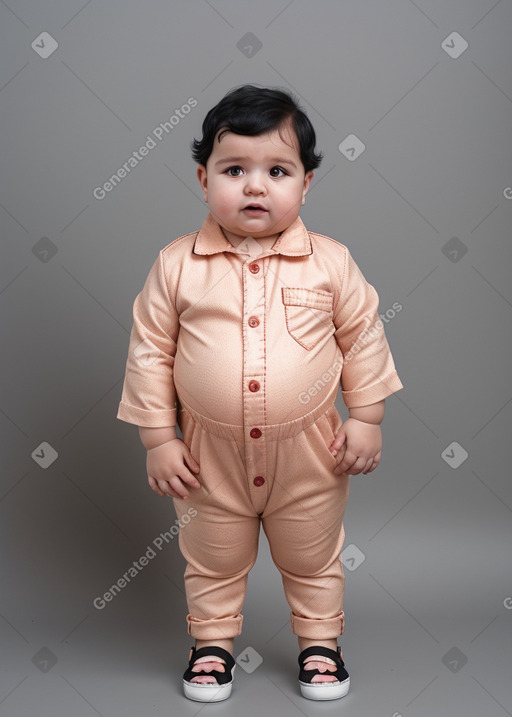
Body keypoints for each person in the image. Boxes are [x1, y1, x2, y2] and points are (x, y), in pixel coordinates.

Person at [117, 84, 403, 702]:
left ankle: (320, 644)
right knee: (212, 556)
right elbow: (150, 351)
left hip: (312, 452)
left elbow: (363, 338)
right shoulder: (177, 265)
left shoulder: (331, 263)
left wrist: (368, 417)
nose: (254, 186)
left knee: (314, 554)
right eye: (234, 170)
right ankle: (212, 645)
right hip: (206, 456)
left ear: (306, 183)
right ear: (203, 178)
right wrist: (157, 438)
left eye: (277, 170)